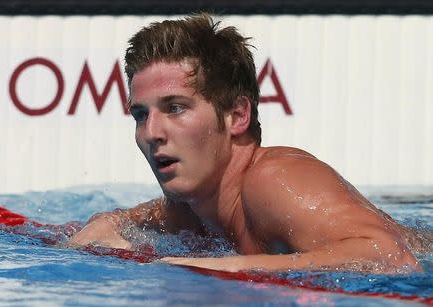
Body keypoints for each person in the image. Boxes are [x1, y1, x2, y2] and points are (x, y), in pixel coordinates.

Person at [68, 13, 423, 273]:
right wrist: (108, 223)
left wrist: (227, 267)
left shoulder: (273, 180)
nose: (151, 132)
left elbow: (390, 256)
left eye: (175, 108)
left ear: (237, 116)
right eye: (141, 114)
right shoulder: (190, 206)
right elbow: (145, 215)